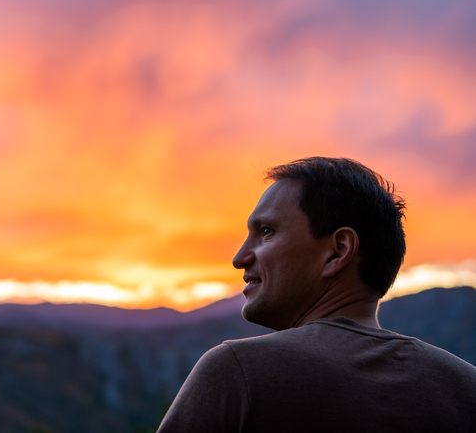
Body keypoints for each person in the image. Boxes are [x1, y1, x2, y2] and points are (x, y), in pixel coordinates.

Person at [157, 157, 476, 432]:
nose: (240, 257)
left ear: (338, 251)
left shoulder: (238, 371)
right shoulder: (465, 387)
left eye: (266, 232)